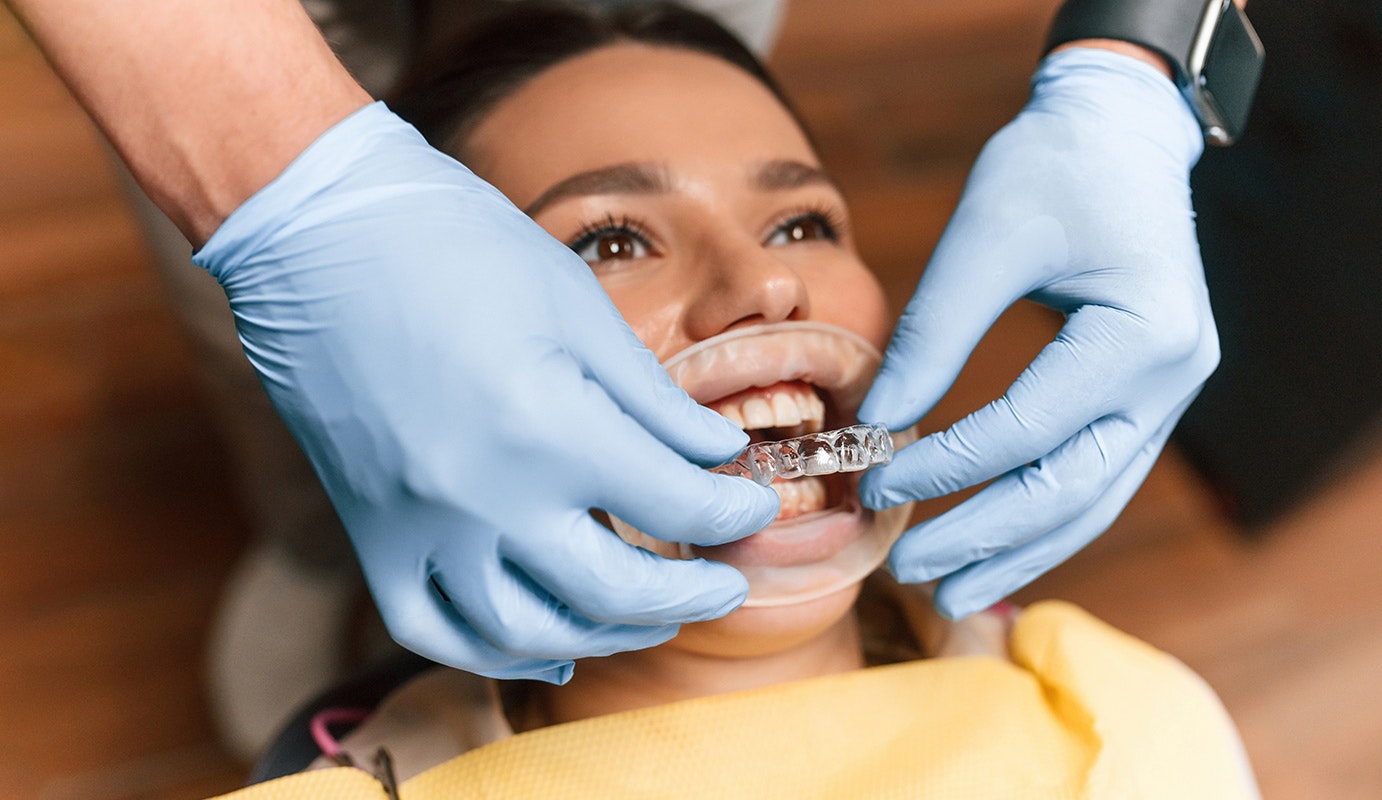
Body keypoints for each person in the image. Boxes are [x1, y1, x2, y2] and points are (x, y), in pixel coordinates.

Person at [8, 0, 1222, 742]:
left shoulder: (1128, 724)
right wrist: (280, 196)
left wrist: (1139, 64)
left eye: (803, 221)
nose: (766, 286)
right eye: (610, 239)